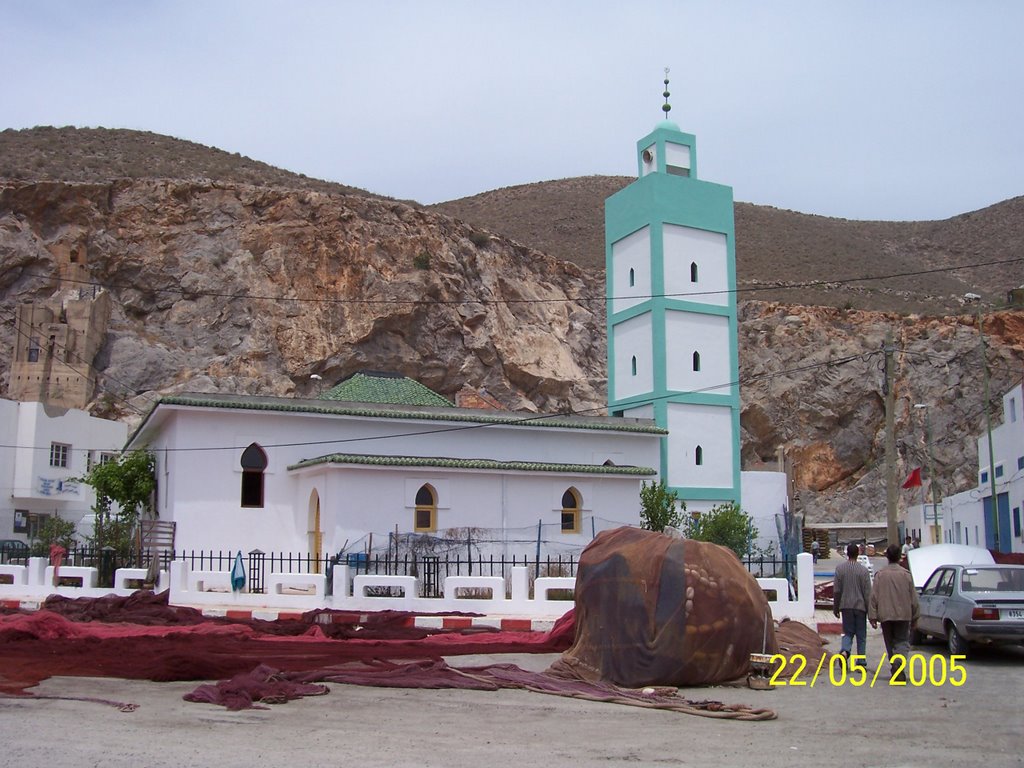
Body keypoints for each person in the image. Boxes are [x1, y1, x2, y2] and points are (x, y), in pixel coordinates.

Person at [869, 543, 921, 682]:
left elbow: (873, 596)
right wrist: (915, 616)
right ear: (899, 557)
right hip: (904, 614)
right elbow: (913, 598)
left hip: (885, 615)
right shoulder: (906, 575)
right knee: (902, 641)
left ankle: (895, 664)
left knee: (890, 642)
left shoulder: (880, 575)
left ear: (887, 557)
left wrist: (872, 616)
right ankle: (899, 663)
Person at [832, 542, 871, 664]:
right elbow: (867, 593)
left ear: (847, 554)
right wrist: (870, 611)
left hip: (846, 606)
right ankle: (861, 661)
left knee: (848, 633)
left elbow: (837, 591)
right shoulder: (863, 571)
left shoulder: (840, 569)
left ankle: (845, 651)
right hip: (860, 607)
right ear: (858, 553)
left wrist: (836, 607)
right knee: (861, 635)